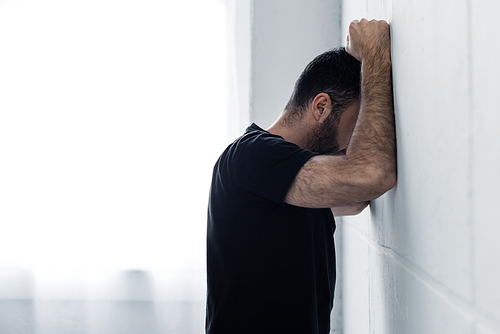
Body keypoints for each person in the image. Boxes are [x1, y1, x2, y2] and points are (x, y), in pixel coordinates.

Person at [206, 19, 396, 334]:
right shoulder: (253, 155)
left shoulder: (285, 174)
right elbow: (370, 175)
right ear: (321, 107)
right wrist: (374, 55)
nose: (354, 144)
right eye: (355, 125)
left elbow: (358, 197)